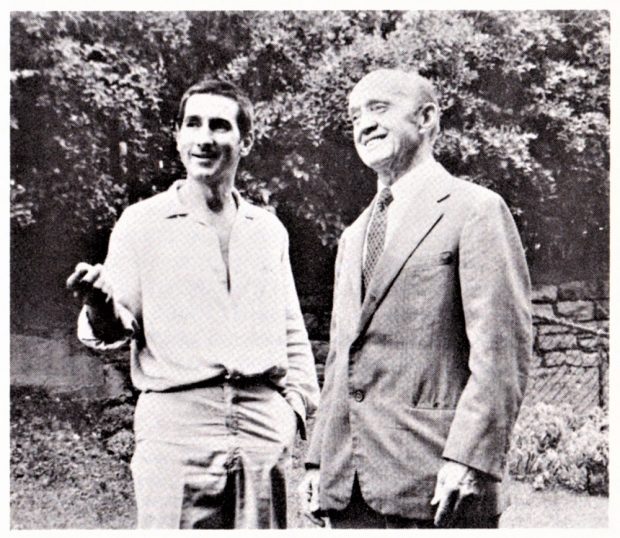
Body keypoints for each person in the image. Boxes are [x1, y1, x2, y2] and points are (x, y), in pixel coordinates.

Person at [66, 79, 319, 529]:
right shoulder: (141, 223)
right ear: (179, 136)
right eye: (193, 124)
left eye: (220, 126)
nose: (205, 138)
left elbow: (291, 332)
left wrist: (291, 412)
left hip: (263, 431)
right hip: (176, 431)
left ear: (245, 140)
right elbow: (116, 326)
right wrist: (99, 302)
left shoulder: (267, 230)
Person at [298, 68, 532, 529]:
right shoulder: (353, 235)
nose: (363, 123)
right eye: (354, 116)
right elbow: (342, 361)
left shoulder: (475, 210)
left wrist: (470, 460)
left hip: (438, 484)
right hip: (349, 489)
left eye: (378, 108)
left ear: (426, 118)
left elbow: (501, 352)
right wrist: (315, 461)